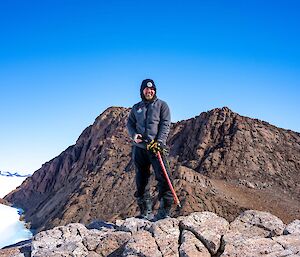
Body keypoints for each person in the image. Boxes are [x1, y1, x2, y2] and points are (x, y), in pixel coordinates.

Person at [127, 78, 174, 221]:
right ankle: (145, 212)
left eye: (152, 89)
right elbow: (130, 124)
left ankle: (164, 212)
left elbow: (165, 124)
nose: (149, 91)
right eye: (147, 89)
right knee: (141, 180)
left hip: (156, 148)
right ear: (142, 91)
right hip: (140, 149)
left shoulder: (162, 105)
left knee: (164, 178)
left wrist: (160, 142)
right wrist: (134, 136)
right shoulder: (136, 107)